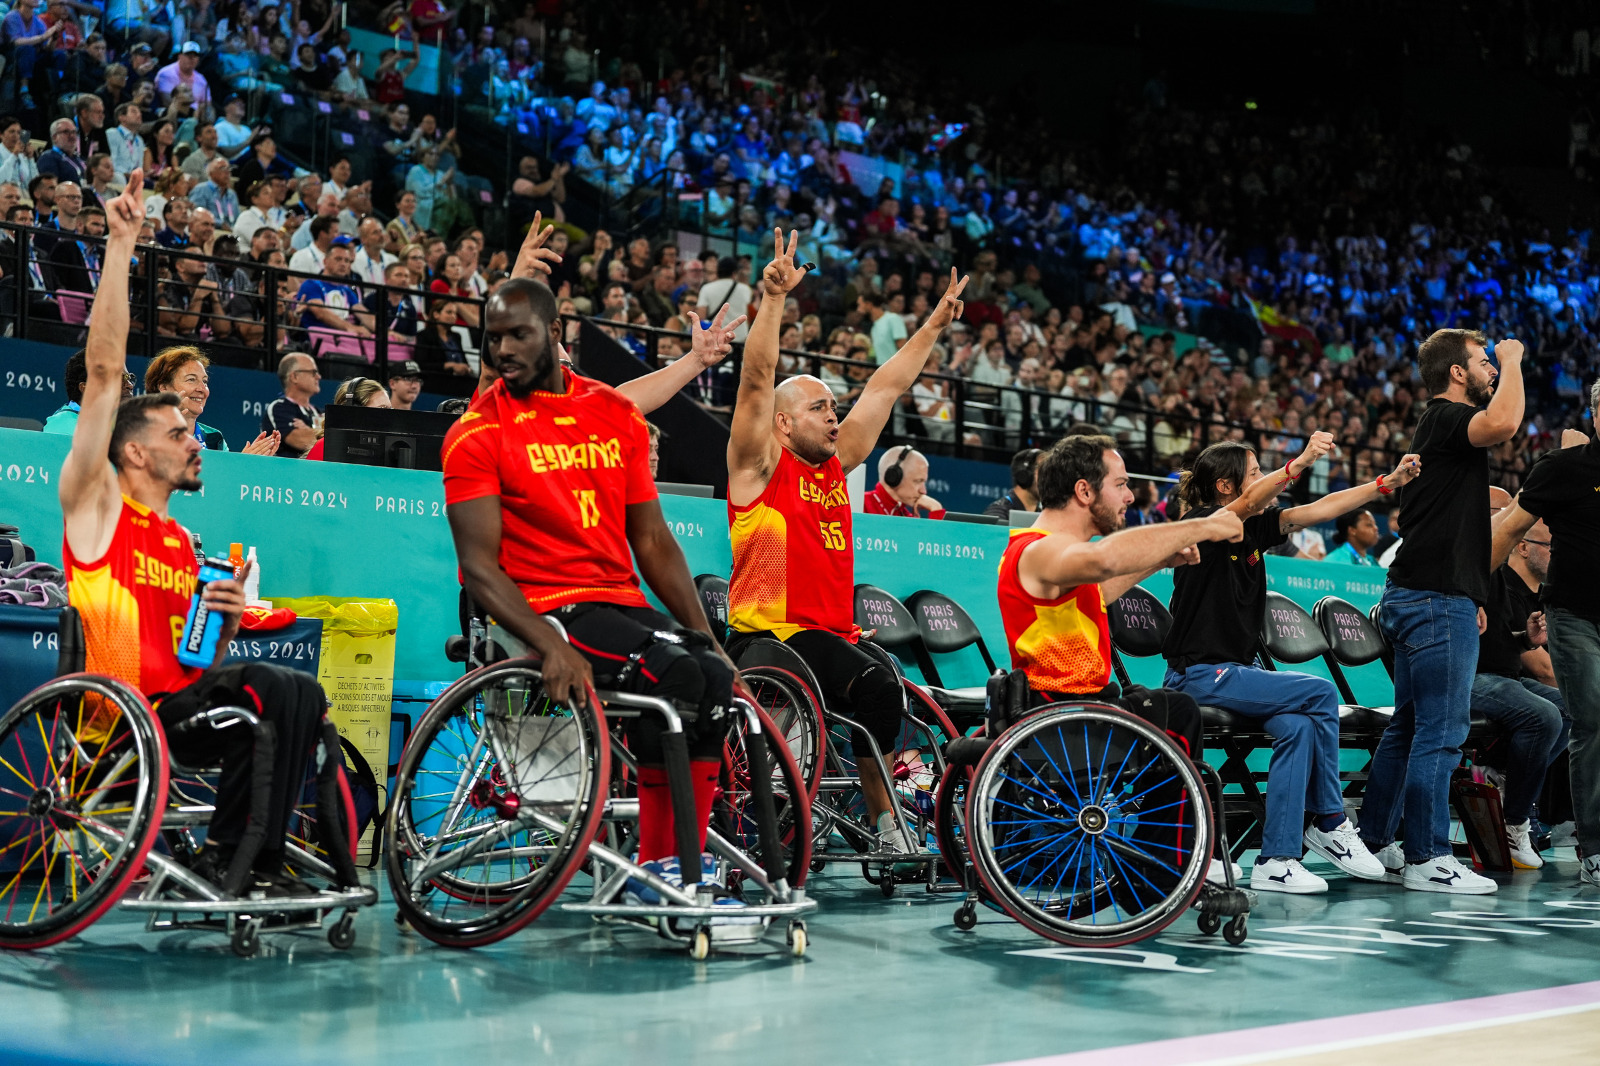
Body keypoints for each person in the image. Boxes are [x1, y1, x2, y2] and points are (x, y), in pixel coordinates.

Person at [441, 274, 754, 926]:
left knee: (708, 673)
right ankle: (668, 871)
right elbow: (477, 568)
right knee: (674, 676)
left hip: (618, 603)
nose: (503, 350)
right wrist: (548, 642)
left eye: (518, 335)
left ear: (555, 332)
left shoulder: (613, 413)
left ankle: (672, 867)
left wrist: (710, 639)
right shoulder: (477, 433)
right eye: (492, 338)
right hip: (546, 608)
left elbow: (654, 541)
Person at [57, 170, 330, 893]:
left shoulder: (183, 545)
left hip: (182, 702)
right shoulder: (97, 508)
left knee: (297, 692)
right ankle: (230, 862)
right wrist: (121, 245)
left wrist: (226, 621)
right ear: (137, 452)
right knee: (258, 716)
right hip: (125, 716)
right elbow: (107, 370)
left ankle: (257, 863)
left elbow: (195, 659)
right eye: (180, 431)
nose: (196, 439)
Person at [724, 230, 966, 856]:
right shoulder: (758, 466)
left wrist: (934, 326)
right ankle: (885, 826)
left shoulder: (837, 463)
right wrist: (773, 300)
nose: (835, 415)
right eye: (820, 408)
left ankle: (884, 814)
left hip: (830, 639)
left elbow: (885, 387)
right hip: (771, 639)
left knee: (893, 687)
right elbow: (755, 381)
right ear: (784, 423)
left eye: (835, 407)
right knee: (879, 689)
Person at [1164, 436, 1422, 893]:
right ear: (1226, 487)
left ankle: (1277, 859)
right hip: (1198, 676)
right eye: (1255, 472)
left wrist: (1385, 483)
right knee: (1320, 692)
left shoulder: (1256, 529)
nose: (1265, 480)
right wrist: (1300, 462)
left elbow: (1320, 510)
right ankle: (1330, 818)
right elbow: (1246, 504)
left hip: (1233, 676)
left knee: (1297, 726)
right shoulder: (1203, 524)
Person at [1000, 434, 1245, 881]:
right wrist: (1199, 525)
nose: (1131, 495)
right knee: (1179, 713)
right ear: (1084, 491)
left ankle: (1165, 853)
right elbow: (1100, 564)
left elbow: (1097, 592)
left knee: (1172, 707)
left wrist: (1161, 560)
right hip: (1064, 712)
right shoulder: (1040, 549)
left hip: (1080, 706)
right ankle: (1171, 861)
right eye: (1121, 483)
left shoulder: (1051, 553)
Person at [1361, 330, 1525, 895]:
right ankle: (1428, 855)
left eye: (1492, 362)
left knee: (1409, 727)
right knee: (1441, 729)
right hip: (1433, 603)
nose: (1491, 371)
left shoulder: (1438, 429)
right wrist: (1513, 357)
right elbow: (1504, 425)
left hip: (1423, 597)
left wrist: (1473, 595)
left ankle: (1378, 840)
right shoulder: (1449, 419)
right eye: (1482, 363)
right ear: (1458, 373)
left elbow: (1451, 529)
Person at [1491, 397, 1600, 889]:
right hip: (1576, 614)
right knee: (1592, 719)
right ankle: (1594, 848)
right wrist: (1469, 589)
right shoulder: (1560, 469)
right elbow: (1509, 527)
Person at [1469, 511, 1567, 869]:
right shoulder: (1469, 565)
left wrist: (1525, 638)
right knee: (1543, 715)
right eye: (1501, 512)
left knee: (1569, 707)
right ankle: (1514, 820)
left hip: (1502, 676)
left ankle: (1506, 775)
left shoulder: (1494, 575)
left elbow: (1497, 640)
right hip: (1468, 676)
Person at [145, 345, 278, 454]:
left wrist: (242, 463)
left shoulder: (214, 438)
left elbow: (223, 482)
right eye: (191, 380)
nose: (202, 389)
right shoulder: (143, 430)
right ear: (164, 387)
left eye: (205, 381)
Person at [306, 376, 389, 460]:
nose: (391, 415)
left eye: (391, 409)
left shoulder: (390, 450)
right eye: (382, 408)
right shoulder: (325, 447)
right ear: (355, 413)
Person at [263, 352, 322, 457]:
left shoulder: (319, 412)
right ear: (294, 377)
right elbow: (301, 440)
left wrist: (310, 431)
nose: (318, 377)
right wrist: (322, 431)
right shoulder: (279, 408)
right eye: (313, 372)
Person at [863, 445, 945, 518]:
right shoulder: (860, 504)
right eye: (918, 481)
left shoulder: (907, 517)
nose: (923, 491)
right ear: (893, 477)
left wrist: (936, 510)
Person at [695, 256, 752, 342]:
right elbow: (748, 315)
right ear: (734, 273)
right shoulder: (745, 289)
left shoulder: (706, 288)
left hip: (716, 340)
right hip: (740, 340)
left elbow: (700, 317)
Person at [983, 447, 1041, 519]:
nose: (1048, 480)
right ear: (1024, 476)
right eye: (1042, 472)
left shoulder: (1043, 516)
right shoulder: (998, 513)